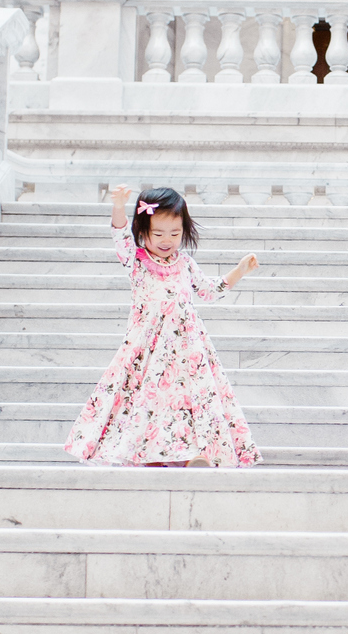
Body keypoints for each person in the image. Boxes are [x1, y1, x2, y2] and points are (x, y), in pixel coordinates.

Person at [64, 184, 261, 467]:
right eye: (158, 233)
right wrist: (119, 205)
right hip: (148, 348)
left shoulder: (185, 264)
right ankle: (147, 456)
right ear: (142, 231)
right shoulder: (137, 261)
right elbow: (120, 235)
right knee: (147, 401)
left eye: (175, 233)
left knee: (189, 402)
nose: (167, 240)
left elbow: (209, 290)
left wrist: (239, 271)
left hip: (187, 349)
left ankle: (193, 456)